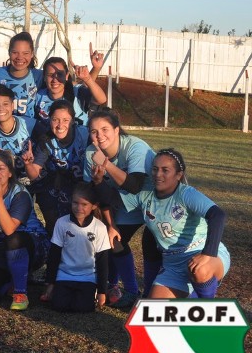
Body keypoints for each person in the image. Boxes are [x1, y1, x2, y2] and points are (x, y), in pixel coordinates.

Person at [123, 149, 231, 299]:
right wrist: (98, 180)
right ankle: (192, 295)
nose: (158, 174)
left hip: (202, 253)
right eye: (155, 169)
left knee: (200, 270)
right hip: (173, 265)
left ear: (178, 175)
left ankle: (205, 303)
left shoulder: (186, 194)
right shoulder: (145, 195)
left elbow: (218, 215)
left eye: (165, 170)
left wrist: (208, 254)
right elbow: (111, 199)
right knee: (156, 314)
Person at [85, 109, 157, 307]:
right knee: (114, 240)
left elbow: (134, 185)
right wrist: (111, 224)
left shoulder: (135, 147)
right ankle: (130, 291)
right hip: (123, 203)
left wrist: (106, 165)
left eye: (105, 129)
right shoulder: (90, 153)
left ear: (117, 130)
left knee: (152, 243)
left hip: (153, 202)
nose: (100, 135)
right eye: (94, 131)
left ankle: (150, 296)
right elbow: (98, 193)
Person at [0, 151, 48, 310]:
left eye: (1, 168)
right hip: (1, 248)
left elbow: (9, 229)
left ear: (11, 172)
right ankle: (12, 279)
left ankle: (21, 293)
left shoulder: (20, 194)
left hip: (31, 245)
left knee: (13, 239)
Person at [42, 182, 111, 312]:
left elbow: (102, 261)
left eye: (84, 204)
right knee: (58, 306)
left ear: (93, 206)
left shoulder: (100, 227)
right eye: (75, 203)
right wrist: (50, 283)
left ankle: (91, 293)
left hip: (88, 276)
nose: (79, 208)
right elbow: (54, 255)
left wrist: (102, 291)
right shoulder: (62, 223)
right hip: (64, 275)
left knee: (83, 308)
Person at [34, 100, 91, 235]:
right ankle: (53, 247)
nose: (60, 125)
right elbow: (36, 170)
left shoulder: (85, 135)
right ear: (49, 120)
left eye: (65, 120)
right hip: (58, 182)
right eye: (55, 120)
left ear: (73, 121)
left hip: (85, 184)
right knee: (53, 221)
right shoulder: (47, 140)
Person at [34, 55, 106, 126]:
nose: (55, 79)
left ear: (66, 76)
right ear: (44, 77)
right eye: (50, 75)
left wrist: (87, 78)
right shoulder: (38, 97)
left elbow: (101, 99)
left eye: (60, 74)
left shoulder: (76, 93)